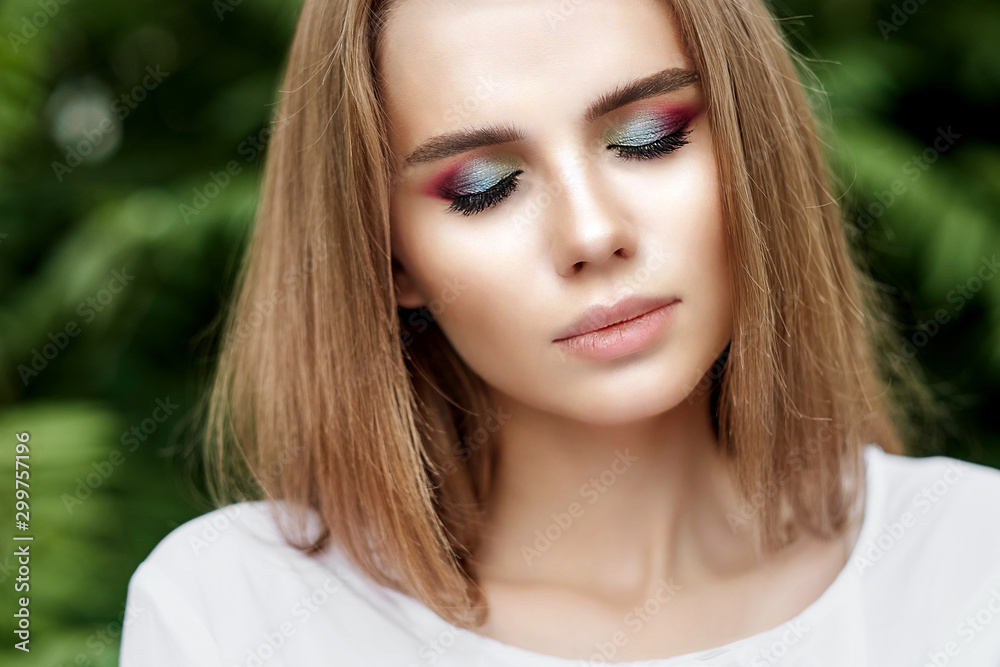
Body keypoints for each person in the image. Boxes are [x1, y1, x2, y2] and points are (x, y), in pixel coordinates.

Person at [119, 0, 1000, 665]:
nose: (591, 232)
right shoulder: (239, 613)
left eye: (649, 136)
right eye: (483, 187)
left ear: (752, 144)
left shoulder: (970, 564)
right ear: (388, 257)